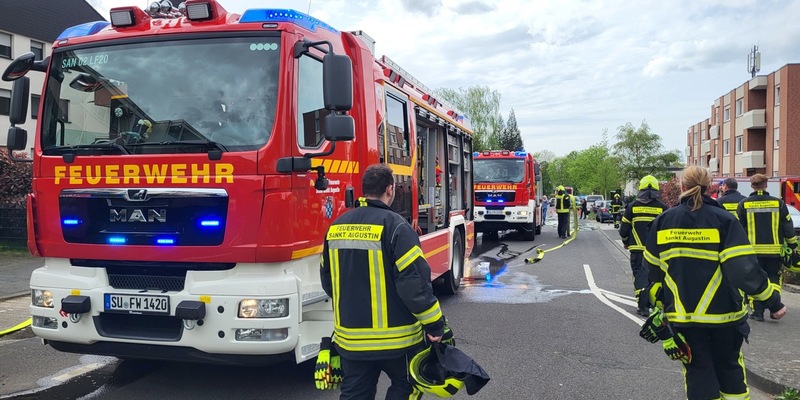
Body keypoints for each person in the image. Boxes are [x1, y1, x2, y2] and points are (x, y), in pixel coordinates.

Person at [642, 166, 786, 400]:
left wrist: (660, 305)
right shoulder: (724, 220)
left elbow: (653, 272)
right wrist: (773, 302)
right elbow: (743, 270)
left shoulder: (663, 221)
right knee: (730, 371)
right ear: (711, 187)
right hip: (725, 318)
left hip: (684, 318)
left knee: (698, 372)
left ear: (682, 187)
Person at [320, 163, 445, 400]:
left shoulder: (335, 228)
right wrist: (435, 325)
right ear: (390, 189)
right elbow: (414, 286)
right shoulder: (397, 226)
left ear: (364, 189)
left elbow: (329, 282)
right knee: (407, 387)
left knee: (354, 394)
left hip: (352, 341)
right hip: (398, 341)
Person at [737, 173, 798, 322]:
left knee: (755, 279)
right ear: (766, 185)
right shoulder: (779, 203)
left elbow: (739, 229)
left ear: (752, 186)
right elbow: (787, 226)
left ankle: (757, 312)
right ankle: (774, 309)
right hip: (774, 252)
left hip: (752, 252)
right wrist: (793, 245)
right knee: (773, 279)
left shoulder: (743, 204)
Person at [618, 175, 667, 316]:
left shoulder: (632, 207)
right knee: (655, 277)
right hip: (656, 251)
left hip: (637, 250)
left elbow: (623, 230)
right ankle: (653, 303)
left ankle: (642, 306)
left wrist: (626, 242)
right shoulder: (662, 208)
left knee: (639, 276)